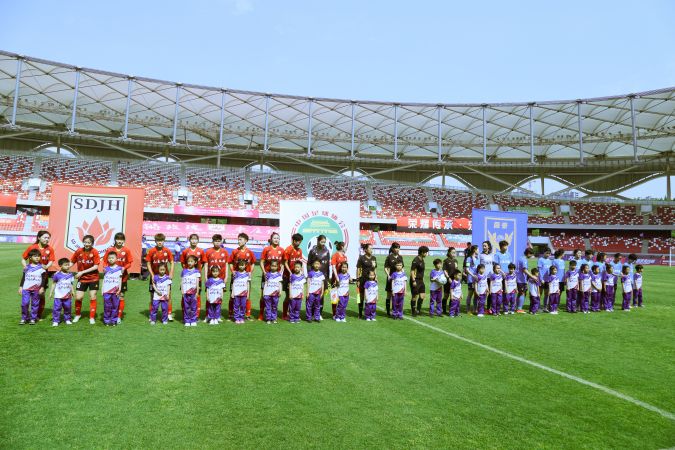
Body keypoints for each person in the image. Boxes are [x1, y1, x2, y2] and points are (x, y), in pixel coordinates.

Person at [22, 230, 56, 320]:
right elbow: (23, 258)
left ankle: (38, 315)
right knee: (28, 296)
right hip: (31, 277)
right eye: (45, 237)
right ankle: (26, 315)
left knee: (41, 294)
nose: (47, 239)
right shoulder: (32, 247)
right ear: (39, 238)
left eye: (48, 238)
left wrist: (46, 267)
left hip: (43, 276)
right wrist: (25, 266)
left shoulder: (50, 249)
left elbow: (51, 261)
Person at [103, 232, 133, 323]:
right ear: (115, 240)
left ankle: (118, 316)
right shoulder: (110, 250)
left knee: (121, 296)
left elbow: (129, 262)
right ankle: (108, 316)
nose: (119, 241)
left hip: (122, 278)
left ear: (124, 240)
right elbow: (105, 261)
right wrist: (104, 268)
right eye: (118, 239)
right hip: (111, 280)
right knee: (109, 298)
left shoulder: (126, 250)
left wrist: (124, 268)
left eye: (121, 239)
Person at [71, 235, 101, 324]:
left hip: (93, 278)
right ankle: (77, 315)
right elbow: (71, 262)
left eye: (89, 243)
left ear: (92, 243)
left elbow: (95, 267)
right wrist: (62, 269)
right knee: (78, 297)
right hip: (82, 279)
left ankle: (91, 317)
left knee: (93, 296)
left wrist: (82, 272)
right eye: (85, 242)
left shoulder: (95, 252)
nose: (87, 244)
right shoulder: (78, 251)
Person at [146, 234, 175, 321]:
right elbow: (148, 263)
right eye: (158, 241)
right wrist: (152, 275)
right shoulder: (151, 251)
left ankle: (169, 313)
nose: (160, 242)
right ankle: (152, 315)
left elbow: (172, 262)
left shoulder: (167, 250)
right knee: (152, 296)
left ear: (164, 241)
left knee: (168, 295)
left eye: (161, 241)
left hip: (165, 278)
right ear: (155, 241)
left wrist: (171, 273)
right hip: (155, 277)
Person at [228, 233, 256, 320]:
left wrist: (250, 272)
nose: (238, 241)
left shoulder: (250, 252)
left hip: (246, 278)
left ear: (246, 240)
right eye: (238, 239)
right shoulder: (234, 251)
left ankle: (247, 314)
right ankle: (231, 313)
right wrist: (232, 271)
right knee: (232, 296)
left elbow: (253, 263)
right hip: (236, 278)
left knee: (247, 296)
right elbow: (230, 262)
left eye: (240, 239)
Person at [180, 234, 207, 321]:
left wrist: (197, 272)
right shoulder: (185, 251)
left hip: (196, 279)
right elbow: (183, 263)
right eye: (192, 239)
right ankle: (185, 315)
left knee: (196, 296)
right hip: (187, 279)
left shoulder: (201, 251)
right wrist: (187, 273)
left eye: (196, 239)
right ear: (189, 240)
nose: (194, 241)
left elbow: (203, 263)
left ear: (198, 241)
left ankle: (196, 315)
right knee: (185, 296)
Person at [260, 232, 284, 321]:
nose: (276, 239)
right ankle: (261, 314)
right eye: (274, 238)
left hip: (276, 277)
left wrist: (280, 273)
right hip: (267, 276)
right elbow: (262, 262)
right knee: (263, 295)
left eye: (278, 238)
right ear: (271, 239)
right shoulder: (266, 249)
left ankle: (273, 315)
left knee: (275, 296)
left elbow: (283, 263)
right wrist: (264, 272)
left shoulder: (281, 250)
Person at [18, 249, 46, 325]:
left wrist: (42, 287)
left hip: (36, 289)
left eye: (38, 256)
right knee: (25, 303)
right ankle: (24, 318)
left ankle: (33, 318)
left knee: (35, 304)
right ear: (30, 258)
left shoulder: (42, 267)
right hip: (26, 288)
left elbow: (44, 278)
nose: (37, 258)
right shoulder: (26, 267)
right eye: (35, 256)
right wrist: (20, 287)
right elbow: (23, 277)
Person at [307, 235, 331, 319]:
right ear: (318, 241)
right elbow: (309, 264)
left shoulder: (327, 251)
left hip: (323, 277)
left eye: (324, 242)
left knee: (321, 295)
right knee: (312, 295)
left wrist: (327, 278)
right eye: (321, 242)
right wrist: (310, 274)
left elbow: (328, 265)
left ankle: (319, 314)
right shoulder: (312, 251)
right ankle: (311, 313)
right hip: (313, 277)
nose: (323, 243)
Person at [282, 233, 304, 321]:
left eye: (300, 242)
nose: (299, 243)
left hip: (297, 277)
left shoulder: (300, 250)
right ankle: (284, 314)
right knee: (288, 296)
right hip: (288, 276)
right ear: (293, 240)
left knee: (297, 295)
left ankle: (294, 314)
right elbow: (285, 263)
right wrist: (291, 273)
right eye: (298, 241)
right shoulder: (288, 250)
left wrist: (302, 272)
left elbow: (300, 263)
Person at [50, 258, 75, 326]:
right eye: (65, 265)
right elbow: (53, 284)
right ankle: (56, 321)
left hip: (67, 296)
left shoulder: (70, 274)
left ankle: (67, 319)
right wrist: (51, 293)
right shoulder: (57, 274)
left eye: (68, 265)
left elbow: (71, 284)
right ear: (60, 266)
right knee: (57, 308)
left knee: (68, 307)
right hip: (58, 296)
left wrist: (73, 291)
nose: (67, 266)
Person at [101, 251, 124, 326]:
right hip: (106, 291)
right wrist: (102, 289)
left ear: (116, 259)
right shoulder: (105, 269)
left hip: (115, 291)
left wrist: (120, 289)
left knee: (115, 306)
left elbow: (120, 279)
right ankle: (107, 320)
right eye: (109, 258)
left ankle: (114, 320)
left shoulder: (119, 269)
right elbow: (104, 279)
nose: (111, 259)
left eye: (112, 258)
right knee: (107, 306)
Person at [356, 243, 377, 319]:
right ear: (365, 250)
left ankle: (369, 313)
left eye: (372, 248)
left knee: (370, 296)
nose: (371, 250)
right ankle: (360, 313)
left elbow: (375, 269)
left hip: (371, 280)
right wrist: (358, 279)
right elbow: (358, 269)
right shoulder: (361, 258)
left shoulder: (374, 258)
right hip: (363, 280)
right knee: (360, 297)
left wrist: (376, 277)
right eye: (370, 248)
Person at [383, 243, 403, 317]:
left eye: (398, 248)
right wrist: (388, 275)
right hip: (391, 279)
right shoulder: (389, 257)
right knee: (389, 295)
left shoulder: (400, 257)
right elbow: (385, 267)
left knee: (398, 295)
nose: (397, 249)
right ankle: (388, 311)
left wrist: (403, 275)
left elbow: (402, 268)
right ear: (393, 248)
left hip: (399, 280)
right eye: (396, 248)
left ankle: (396, 311)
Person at [181, 255, 201, 326]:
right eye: (188, 261)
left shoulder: (197, 271)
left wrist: (197, 292)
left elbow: (197, 283)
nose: (189, 263)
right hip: (186, 293)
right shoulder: (184, 271)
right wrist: (182, 291)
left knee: (193, 307)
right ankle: (187, 320)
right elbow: (182, 282)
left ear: (195, 262)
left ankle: (193, 320)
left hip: (193, 293)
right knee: (186, 307)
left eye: (191, 261)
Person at [330, 241, 348, 318]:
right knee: (334, 296)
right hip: (335, 279)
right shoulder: (335, 255)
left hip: (343, 280)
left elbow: (346, 268)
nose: (346, 248)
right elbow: (333, 267)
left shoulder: (345, 256)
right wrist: (336, 277)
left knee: (342, 296)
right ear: (342, 247)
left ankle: (340, 313)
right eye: (345, 246)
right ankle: (334, 314)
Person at [409, 245, 429, 316]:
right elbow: (412, 271)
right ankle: (413, 311)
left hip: (421, 280)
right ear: (422, 252)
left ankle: (418, 310)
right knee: (414, 296)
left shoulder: (422, 260)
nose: (426, 254)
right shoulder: (416, 260)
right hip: (416, 280)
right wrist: (413, 280)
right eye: (426, 252)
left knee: (422, 296)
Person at [263, 260, 283, 324]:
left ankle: (274, 318)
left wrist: (280, 291)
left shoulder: (279, 275)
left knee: (274, 307)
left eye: (275, 266)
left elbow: (280, 284)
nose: (273, 267)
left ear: (277, 267)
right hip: (267, 293)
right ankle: (268, 319)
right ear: (270, 266)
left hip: (275, 294)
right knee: (268, 307)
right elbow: (265, 283)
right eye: (272, 266)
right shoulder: (267, 274)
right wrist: (264, 292)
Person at [516, 248, 535, 313]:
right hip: (521, 279)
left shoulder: (520, 258)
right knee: (522, 293)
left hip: (518, 278)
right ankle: (519, 308)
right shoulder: (524, 260)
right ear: (528, 253)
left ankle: (517, 307)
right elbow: (524, 270)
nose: (531, 256)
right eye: (531, 254)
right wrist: (532, 276)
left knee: (520, 293)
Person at [441, 247, 458, 315]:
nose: (454, 254)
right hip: (448, 281)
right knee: (446, 295)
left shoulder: (455, 261)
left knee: (453, 295)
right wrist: (448, 278)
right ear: (449, 253)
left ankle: (451, 310)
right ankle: (444, 310)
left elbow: (456, 271)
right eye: (452, 252)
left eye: (455, 252)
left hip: (454, 281)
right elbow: (444, 270)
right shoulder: (446, 261)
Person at [479, 241, 494, 312]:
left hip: (490, 277)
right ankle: (480, 308)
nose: (484, 247)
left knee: (490, 292)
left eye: (485, 246)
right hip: (483, 277)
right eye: (483, 246)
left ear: (488, 246)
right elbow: (479, 266)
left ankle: (488, 308)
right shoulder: (480, 255)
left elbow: (493, 265)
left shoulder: (492, 255)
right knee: (483, 293)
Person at [463, 245, 479, 314]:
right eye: (478, 249)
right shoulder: (468, 259)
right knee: (470, 294)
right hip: (471, 279)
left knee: (476, 294)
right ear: (474, 250)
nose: (478, 251)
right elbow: (467, 269)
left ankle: (475, 309)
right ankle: (468, 310)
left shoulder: (478, 258)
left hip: (477, 279)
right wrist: (473, 275)